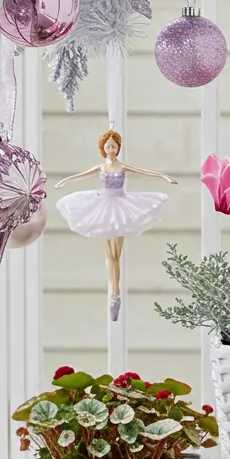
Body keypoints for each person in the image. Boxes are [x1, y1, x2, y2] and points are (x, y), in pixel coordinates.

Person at [55, 129, 176, 322]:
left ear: (118, 147)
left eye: (113, 145)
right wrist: (64, 180)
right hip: (103, 206)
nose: (110, 148)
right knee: (109, 254)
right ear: (103, 148)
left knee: (117, 254)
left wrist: (163, 176)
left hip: (120, 206)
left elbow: (143, 172)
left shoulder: (122, 166)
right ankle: (114, 294)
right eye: (107, 146)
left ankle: (116, 294)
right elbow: (81, 175)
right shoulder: (101, 167)